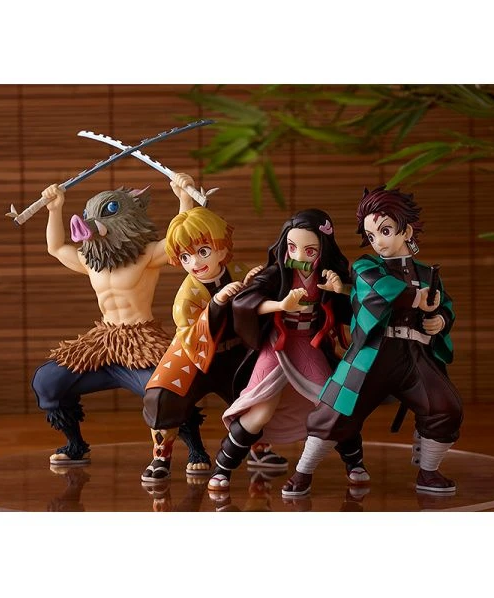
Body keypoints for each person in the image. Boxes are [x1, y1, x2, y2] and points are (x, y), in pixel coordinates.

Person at [282, 186, 463, 497]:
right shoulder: (367, 267)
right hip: (372, 355)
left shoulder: (425, 272)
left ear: (406, 231)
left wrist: (440, 320)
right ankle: (303, 472)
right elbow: (373, 288)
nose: (378, 240)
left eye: (385, 231)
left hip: (415, 356)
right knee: (335, 410)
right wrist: (415, 297)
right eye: (371, 234)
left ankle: (429, 471)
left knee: (444, 406)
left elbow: (444, 304)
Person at [31, 173, 210, 467]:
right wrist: (55, 208)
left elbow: (178, 242)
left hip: (142, 343)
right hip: (102, 343)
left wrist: (184, 199)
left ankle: (196, 449)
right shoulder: (90, 261)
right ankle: (75, 445)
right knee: (47, 380)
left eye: (107, 211)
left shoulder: (146, 255)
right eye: (89, 214)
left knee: (168, 390)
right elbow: (56, 248)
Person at [207, 209, 353, 492]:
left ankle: (354, 462)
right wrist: (281, 305)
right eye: (292, 247)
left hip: (309, 344)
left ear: (323, 249)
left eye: (309, 250)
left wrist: (340, 290)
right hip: (278, 344)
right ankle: (223, 467)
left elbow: (351, 309)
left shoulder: (328, 274)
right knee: (260, 409)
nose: (299, 255)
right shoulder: (276, 273)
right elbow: (245, 303)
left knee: (332, 404)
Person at [141, 206, 287, 482]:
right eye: (185, 256)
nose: (195, 262)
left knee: (258, 391)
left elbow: (260, 304)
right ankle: (161, 456)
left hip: (237, 351)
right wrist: (217, 303)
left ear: (222, 247)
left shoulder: (240, 271)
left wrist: (256, 285)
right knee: (162, 394)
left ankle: (258, 447)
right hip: (193, 354)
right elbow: (190, 333)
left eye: (203, 251)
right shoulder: (186, 297)